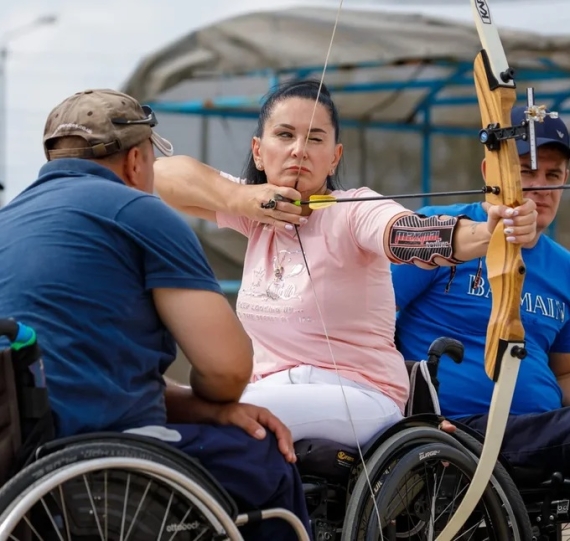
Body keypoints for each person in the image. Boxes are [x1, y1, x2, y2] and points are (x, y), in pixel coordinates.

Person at [153, 79, 537, 450]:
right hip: (270, 389)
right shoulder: (255, 213)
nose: (299, 150)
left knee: (225, 419)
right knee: (159, 408)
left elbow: (406, 233)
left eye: (315, 138)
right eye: (284, 135)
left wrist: (491, 233)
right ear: (258, 150)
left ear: (334, 156)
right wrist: (240, 198)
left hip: (360, 395)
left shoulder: (353, 211)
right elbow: (159, 177)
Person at [0, 88, 311, 540]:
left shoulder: (9, 221)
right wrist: (216, 404)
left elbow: (65, 368)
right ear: (136, 162)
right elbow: (227, 370)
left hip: (17, 460)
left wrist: (200, 410)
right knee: (263, 460)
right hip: (104, 456)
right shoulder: (140, 213)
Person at [392, 105, 570, 474]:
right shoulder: (438, 229)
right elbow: (364, 318)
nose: (541, 187)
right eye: (525, 171)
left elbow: (564, 374)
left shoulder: (565, 268)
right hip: (451, 433)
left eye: (554, 174)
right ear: (489, 171)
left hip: (538, 434)